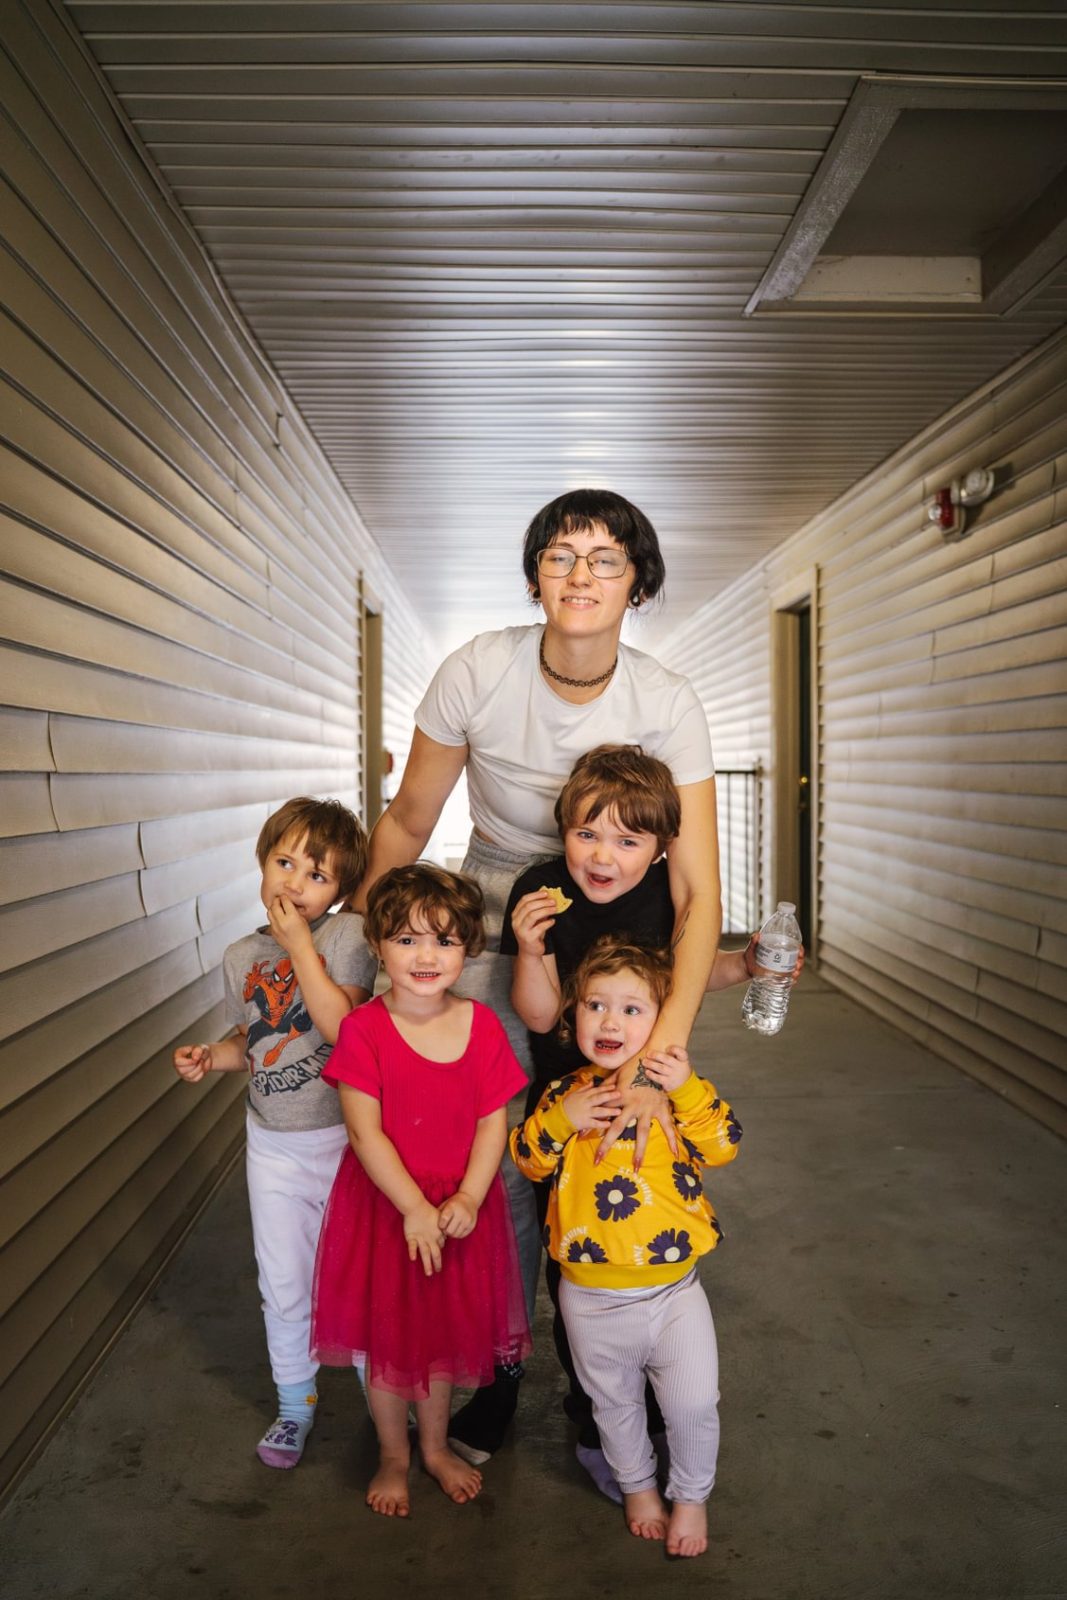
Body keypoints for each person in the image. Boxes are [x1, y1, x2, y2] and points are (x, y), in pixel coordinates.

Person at [352, 488, 722, 1459]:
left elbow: (695, 900)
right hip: (498, 907)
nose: (581, 575)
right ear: (532, 579)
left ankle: (606, 1383)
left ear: (636, 583)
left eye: (605, 558)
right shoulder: (478, 670)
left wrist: (664, 1046)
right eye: (560, 555)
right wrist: (362, 952)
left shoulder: (667, 702)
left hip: (619, 923)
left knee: (612, 1146)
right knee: (500, 1159)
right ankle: (501, 1368)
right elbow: (403, 824)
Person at [502, 743, 766, 1498]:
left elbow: (683, 974)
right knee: (575, 1265)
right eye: (587, 833)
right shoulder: (541, 891)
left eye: (626, 840)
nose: (603, 855)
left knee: (653, 1237)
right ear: (562, 831)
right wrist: (527, 946)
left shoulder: (662, 897)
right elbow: (542, 1012)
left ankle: (662, 1401)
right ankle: (596, 1419)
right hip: (569, 1094)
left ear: (657, 850)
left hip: (650, 1091)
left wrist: (743, 965)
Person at [310, 863, 532, 1518]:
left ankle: (434, 1446)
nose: (426, 956)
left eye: (443, 940)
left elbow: (494, 1121)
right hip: (388, 1211)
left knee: (438, 1342)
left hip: (458, 1211)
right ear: (377, 947)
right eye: (406, 940)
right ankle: (392, 1453)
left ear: (468, 947)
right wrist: (413, 1208)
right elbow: (364, 1131)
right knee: (389, 1345)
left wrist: (466, 1196)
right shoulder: (365, 1030)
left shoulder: (481, 1024)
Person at [511, 939, 742, 1559]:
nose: (611, 1022)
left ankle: (691, 1496)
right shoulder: (566, 1093)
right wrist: (562, 1120)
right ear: (573, 1014)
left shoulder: (674, 1090)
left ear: (664, 1019)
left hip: (674, 1293)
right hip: (590, 1298)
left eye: (633, 1010)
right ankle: (639, 1486)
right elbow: (528, 1160)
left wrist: (687, 1088)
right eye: (596, 1005)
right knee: (612, 1405)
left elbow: (723, 1144)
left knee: (694, 1402)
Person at [172, 796, 375, 1469]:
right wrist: (213, 1055)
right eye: (283, 862)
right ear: (261, 863)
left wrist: (298, 948)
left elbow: (343, 1030)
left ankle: (387, 1403)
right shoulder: (239, 956)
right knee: (283, 1279)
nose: (294, 882)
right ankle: (295, 1406)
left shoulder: (347, 938)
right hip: (273, 1147)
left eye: (316, 875)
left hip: (349, 1142)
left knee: (361, 1275)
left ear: (341, 890)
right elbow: (252, 1042)